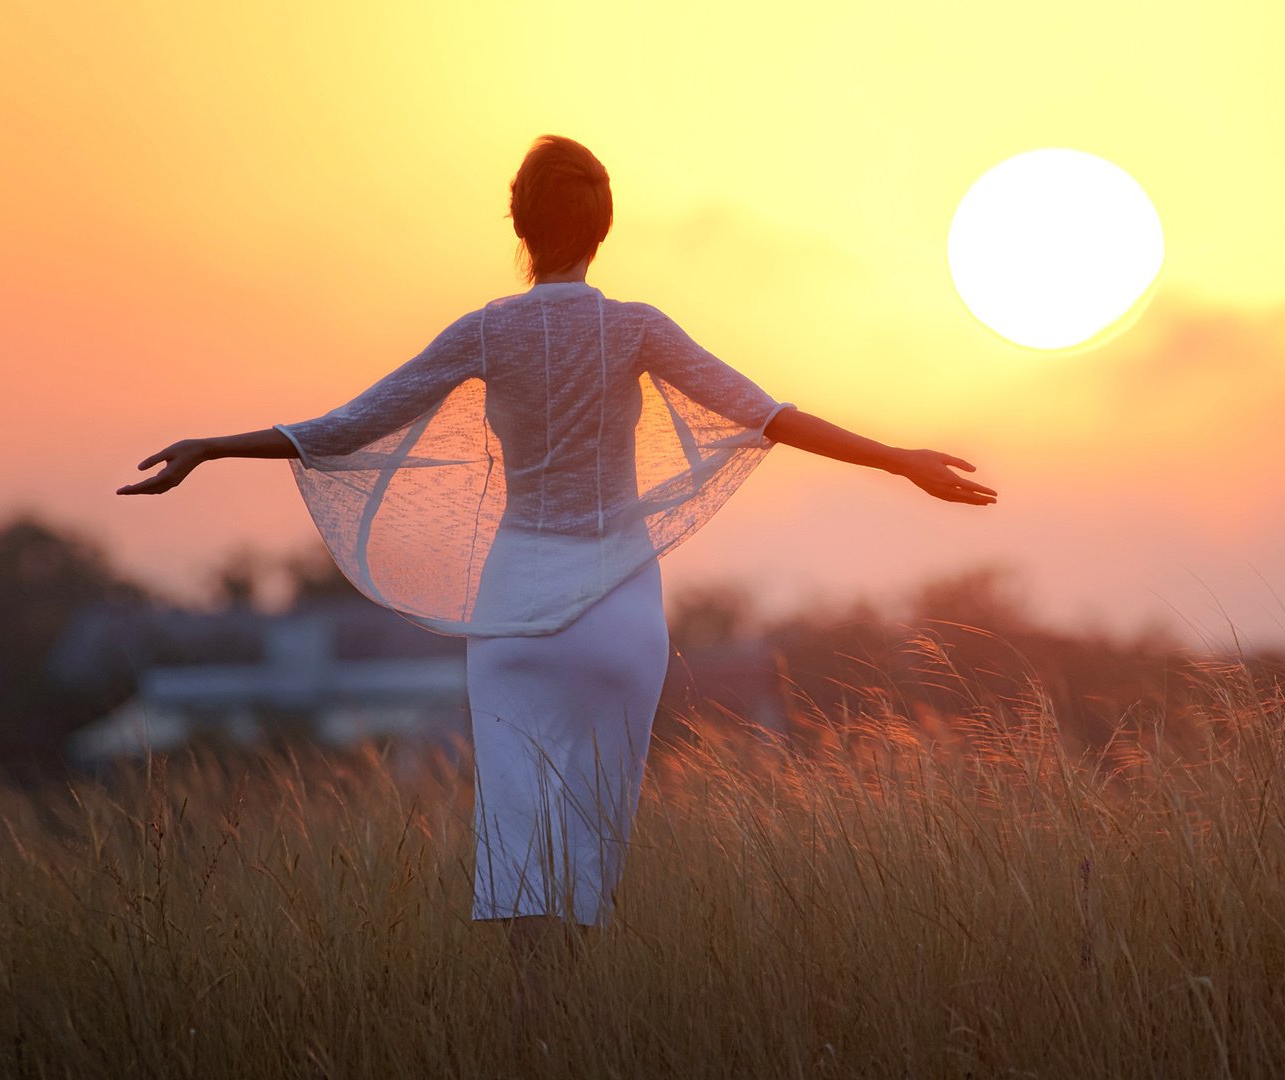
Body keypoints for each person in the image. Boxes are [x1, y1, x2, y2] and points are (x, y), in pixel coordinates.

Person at [117, 135, 997, 956]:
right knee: (593, 837)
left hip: (512, 615)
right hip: (618, 613)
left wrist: (214, 446)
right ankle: (577, 1018)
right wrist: (897, 459)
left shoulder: (486, 331)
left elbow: (347, 428)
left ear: (518, 223)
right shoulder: (637, 326)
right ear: (603, 226)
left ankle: (533, 1029)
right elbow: (768, 416)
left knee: (517, 844)